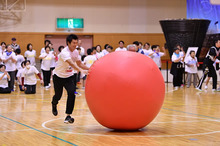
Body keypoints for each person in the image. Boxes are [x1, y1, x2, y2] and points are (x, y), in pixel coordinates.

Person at [51, 34, 89, 124]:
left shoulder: (76, 52)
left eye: (76, 43)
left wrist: (90, 68)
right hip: (58, 76)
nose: (75, 45)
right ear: (68, 43)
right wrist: (81, 71)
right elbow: (72, 64)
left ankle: (68, 115)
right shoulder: (64, 52)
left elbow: (79, 64)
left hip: (69, 76)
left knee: (72, 93)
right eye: (73, 43)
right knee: (58, 95)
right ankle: (54, 103)